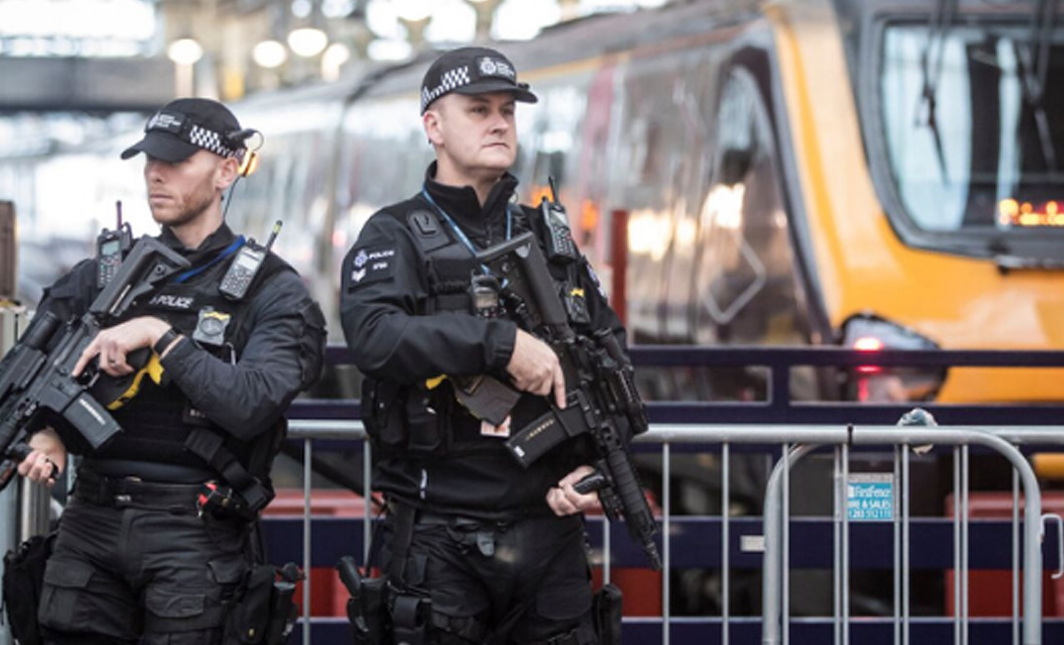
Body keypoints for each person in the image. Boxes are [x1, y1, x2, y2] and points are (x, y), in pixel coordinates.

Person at [340, 46, 632, 644]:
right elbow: (376, 338)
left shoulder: (547, 237)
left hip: (547, 532)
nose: (499, 122)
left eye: (508, 110)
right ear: (434, 127)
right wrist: (498, 345)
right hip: (438, 538)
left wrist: (588, 467)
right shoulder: (393, 234)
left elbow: (609, 358)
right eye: (478, 110)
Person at [15, 97, 327, 644]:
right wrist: (45, 430)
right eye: (150, 160)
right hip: (90, 523)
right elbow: (31, 373)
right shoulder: (99, 278)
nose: (156, 173)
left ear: (227, 170)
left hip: (196, 532)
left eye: (176, 161)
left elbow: (251, 403)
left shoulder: (272, 290)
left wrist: (160, 336)